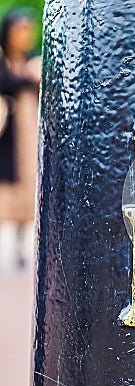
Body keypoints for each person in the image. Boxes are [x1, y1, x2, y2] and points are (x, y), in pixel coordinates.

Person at [0, 9, 41, 273]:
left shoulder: (30, 61)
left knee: (29, 187)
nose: (25, 36)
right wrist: (27, 77)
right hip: (7, 135)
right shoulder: (5, 62)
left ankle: (24, 254)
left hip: (28, 136)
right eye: (20, 29)